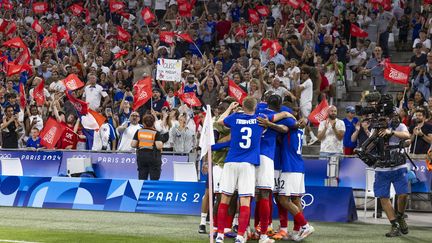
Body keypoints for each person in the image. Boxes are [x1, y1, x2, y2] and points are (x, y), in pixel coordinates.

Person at [262, 102, 315, 241]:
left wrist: (269, 123)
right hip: (299, 166)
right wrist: (306, 119)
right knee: (295, 199)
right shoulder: (299, 128)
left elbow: (283, 127)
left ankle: (305, 225)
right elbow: (300, 123)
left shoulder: (290, 125)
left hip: (289, 167)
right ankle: (297, 230)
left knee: (283, 199)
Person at [215, 97, 264, 243]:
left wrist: (230, 108)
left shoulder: (235, 117)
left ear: (242, 106)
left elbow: (219, 122)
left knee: (224, 198)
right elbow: (276, 118)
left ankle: (220, 235)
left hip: (231, 162)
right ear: (255, 107)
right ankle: (241, 236)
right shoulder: (259, 119)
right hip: (247, 164)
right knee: (245, 201)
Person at [372, 115, 410, 237]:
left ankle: (400, 216)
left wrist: (391, 132)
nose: (384, 120)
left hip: (399, 166)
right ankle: (394, 225)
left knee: (403, 194)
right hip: (382, 168)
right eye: (381, 118)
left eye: (386, 118)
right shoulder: (375, 129)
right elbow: (369, 145)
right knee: (383, 197)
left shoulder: (399, 125)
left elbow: (407, 136)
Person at [131, 114, 164, 180]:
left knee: (142, 178)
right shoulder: (156, 132)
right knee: (154, 179)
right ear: (153, 123)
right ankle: (152, 190)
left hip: (142, 157)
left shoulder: (139, 131)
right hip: (153, 157)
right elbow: (159, 146)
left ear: (143, 123)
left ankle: (142, 190)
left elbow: (133, 144)